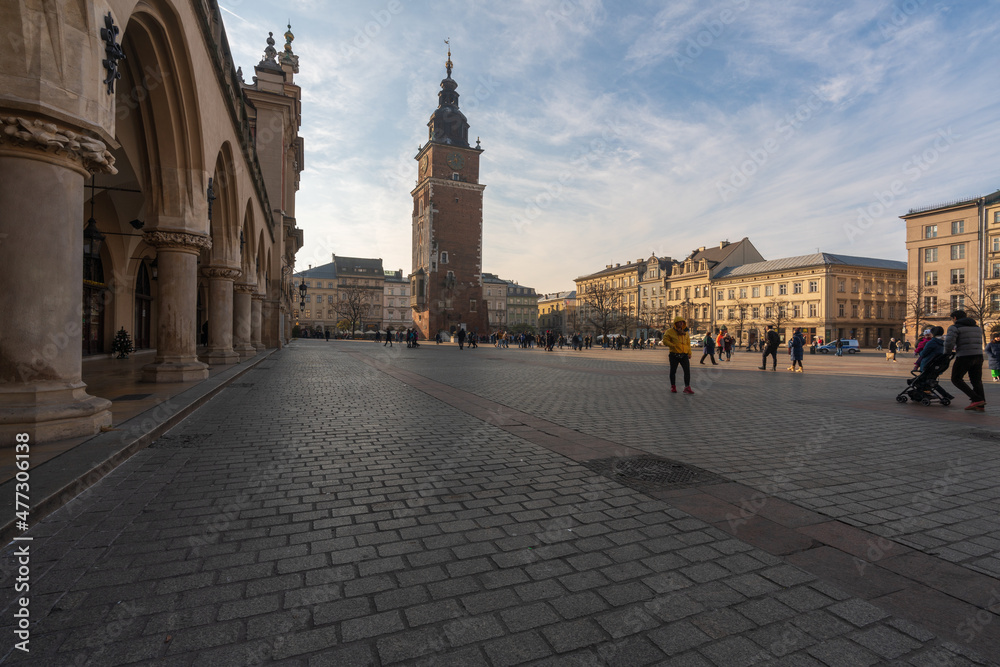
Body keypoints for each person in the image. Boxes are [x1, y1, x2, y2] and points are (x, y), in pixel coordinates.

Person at [943, 309, 985, 411]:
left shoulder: (954, 327)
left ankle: (976, 399)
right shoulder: (977, 328)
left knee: (956, 379)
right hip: (979, 355)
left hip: (964, 356)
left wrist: (947, 353)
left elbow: (949, 343)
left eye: (952, 319)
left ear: (955, 318)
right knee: (976, 380)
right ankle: (980, 405)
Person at [664, 316, 694, 394]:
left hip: (684, 354)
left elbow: (688, 343)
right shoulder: (670, 331)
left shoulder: (686, 332)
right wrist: (672, 345)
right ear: (675, 323)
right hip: (674, 354)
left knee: (687, 371)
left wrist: (689, 353)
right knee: (673, 371)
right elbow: (665, 340)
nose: (681, 323)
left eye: (682, 322)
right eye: (679, 322)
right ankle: (673, 386)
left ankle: (687, 387)